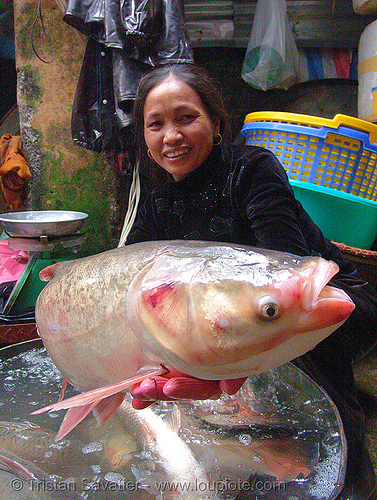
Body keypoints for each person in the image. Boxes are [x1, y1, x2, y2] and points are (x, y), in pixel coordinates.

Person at [125, 63, 377, 499]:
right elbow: (135, 279)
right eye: (156, 124)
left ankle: (350, 479)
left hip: (323, 304)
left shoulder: (251, 169)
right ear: (145, 140)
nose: (171, 136)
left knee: (315, 410)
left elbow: (287, 269)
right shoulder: (157, 200)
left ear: (216, 123)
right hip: (249, 315)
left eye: (186, 117)